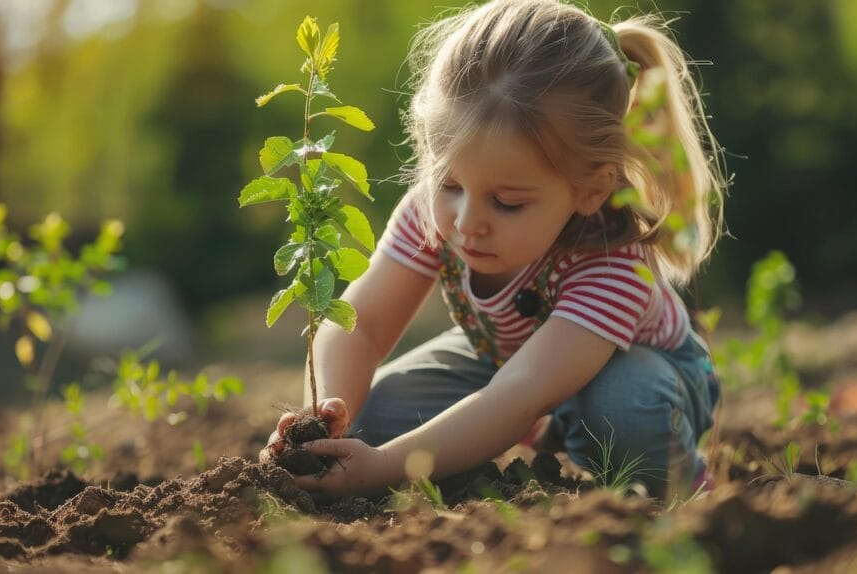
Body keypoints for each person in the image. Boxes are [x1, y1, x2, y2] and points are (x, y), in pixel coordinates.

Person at [261, 0, 725, 500]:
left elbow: (522, 391)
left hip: (641, 373)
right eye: (449, 183)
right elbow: (364, 323)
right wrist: (328, 414)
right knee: (375, 417)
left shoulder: (614, 261)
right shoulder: (434, 211)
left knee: (624, 412)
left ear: (590, 190)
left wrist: (385, 468)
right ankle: (547, 425)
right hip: (512, 366)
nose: (467, 223)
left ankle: (683, 478)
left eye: (507, 203)